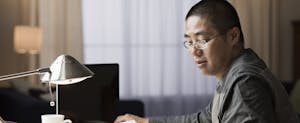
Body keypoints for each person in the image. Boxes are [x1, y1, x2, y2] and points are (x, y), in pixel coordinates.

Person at [114, 0, 300, 123]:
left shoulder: (244, 82)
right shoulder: (231, 74)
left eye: (202, 40)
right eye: (189, 42)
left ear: (233, 36)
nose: (194, 51)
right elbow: (204, 118)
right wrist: (146, 122)